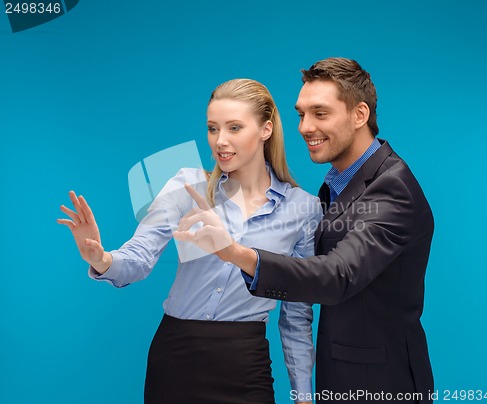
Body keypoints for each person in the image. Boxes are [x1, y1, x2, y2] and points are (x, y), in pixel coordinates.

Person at [174, 58, 434, 403]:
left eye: (320, 114)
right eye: (301, 114)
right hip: (342, 375)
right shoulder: (338, 185)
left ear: (359, 115)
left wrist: (235, 252)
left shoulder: (391, 188)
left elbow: (338, 274)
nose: (304, 127)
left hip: (380, 384)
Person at [57, 78, 322, 404]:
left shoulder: (302, 208)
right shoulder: (187, 185)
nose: (220, 141)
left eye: (234, 128)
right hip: (176, 357)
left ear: (265, 130)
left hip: (244, 362)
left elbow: (297, 315)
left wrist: (304, 396)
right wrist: (101, 259)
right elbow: (139, 257)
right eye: (213, 129)